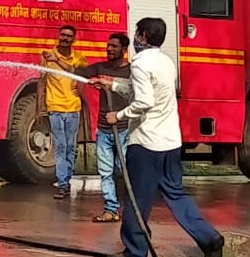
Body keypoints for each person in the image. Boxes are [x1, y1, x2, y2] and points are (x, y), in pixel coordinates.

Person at [92, 18, 225, 257]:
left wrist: (118, 115)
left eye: (136, 33)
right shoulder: (166, 62)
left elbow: (144, 100)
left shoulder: (140, 64)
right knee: (176, 194)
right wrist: (110, 85)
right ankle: (210, 239)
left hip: (146, 145)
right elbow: (142, 89)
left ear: (142, 36)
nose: (134, 38)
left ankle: (135, 250)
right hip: (170, 143)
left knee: (136, 200)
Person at [76, 33, 131, 223]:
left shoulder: (131, 72)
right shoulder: (100, 68)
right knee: (106, 172)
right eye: (108, 46)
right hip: (103, 130)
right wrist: (57, 62)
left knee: (123, 170)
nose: (109, 49)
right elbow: (78, 72)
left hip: (124, 130)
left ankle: (129, 209)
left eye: (114, 46)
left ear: (124, 50)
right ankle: (110, 209)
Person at [38, 25, 89, 199]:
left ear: (74, 39)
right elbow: (41, 81)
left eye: (68, 36)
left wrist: (80, 89)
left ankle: (66, 179)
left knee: (71, 147)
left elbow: (85, 76)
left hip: (73, 109)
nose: (65, 38)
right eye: (62, 35)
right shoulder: (47, 55)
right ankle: (63, 184)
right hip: (55, 108)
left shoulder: (78, 58)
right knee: (60, 146)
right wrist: (40, 108)